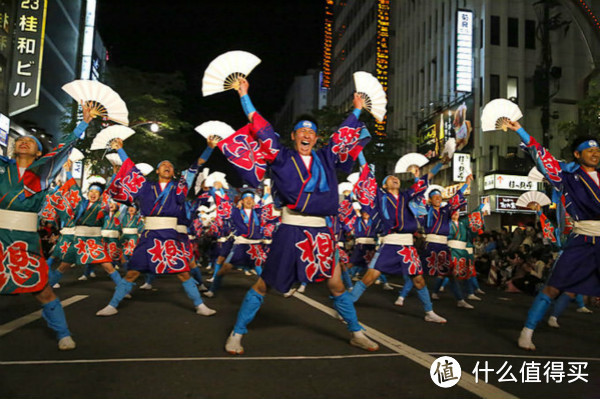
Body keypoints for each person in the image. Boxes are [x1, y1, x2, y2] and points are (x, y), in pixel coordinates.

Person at [217, 77, 378, 354]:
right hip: (290, 228)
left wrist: (357, 110)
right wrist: (244, 95)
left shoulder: (326, 158)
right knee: (264, 284)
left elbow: (343, 136)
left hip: (321, 231)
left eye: (311, 132)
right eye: (301, 131)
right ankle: (237, 332)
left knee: (337, 285)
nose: (306, 134)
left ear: (316, 138)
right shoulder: (280, 157)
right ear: (293, 136)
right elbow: (262, 129)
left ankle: (356, 332)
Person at [0, 103, 94, 349]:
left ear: (40, 154)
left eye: (31, 141)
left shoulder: (43, 174)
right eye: (20, 140)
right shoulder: (2, 168)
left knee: (42, 289)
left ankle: (63, 332)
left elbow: (64, 150)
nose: (24, 141)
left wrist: (82, 124)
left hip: (24, 238)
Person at [95, 138, 217, 317]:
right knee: (132, 272)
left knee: (183, 272)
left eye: (170, 165)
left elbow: (195, 167)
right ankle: (112, 304)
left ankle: (200, 305)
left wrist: (209, 148)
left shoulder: (179, 187)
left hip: (170, 235)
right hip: (149, 235)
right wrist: (121, 150)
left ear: (174, 172)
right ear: (157, 170)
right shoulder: (145, 186)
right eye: (163, 165)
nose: (167, 166)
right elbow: (131, 169)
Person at [506, 120, 600, 350]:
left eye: (598, 150)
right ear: (577, 155)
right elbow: (542, 155)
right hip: (583, 239)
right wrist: (520, 129)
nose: (595, 154)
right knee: (554, 287)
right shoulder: (567, 177)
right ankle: (527, 331)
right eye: (590, 151)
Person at [349, 160, 448, 323]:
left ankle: (429, 311)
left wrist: (441, 162)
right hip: (389, 243)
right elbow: (369, 182)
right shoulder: (380, 196)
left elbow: (425, 180)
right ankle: (346, 305)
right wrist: (361, 158)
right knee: (369, 277)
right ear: (384, 186)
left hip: (407, 245)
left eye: (396, 177)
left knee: (419, 279)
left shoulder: (406, 195)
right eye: (390, 178)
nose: (394, 178)